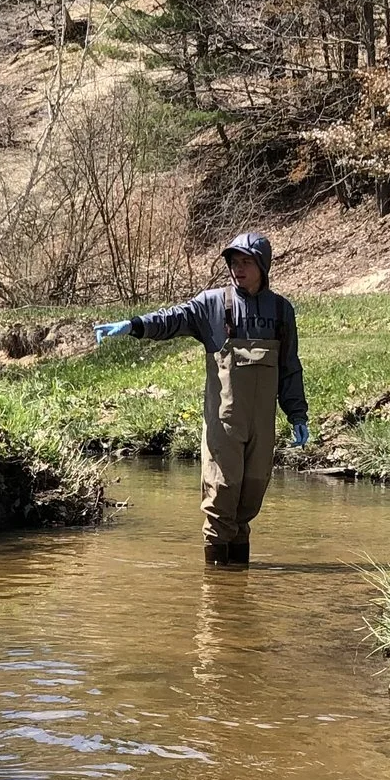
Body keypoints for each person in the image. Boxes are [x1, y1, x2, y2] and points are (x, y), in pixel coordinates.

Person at [94, 231, 309, 566]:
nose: (238, 268)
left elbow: (289, 368)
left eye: (246, 262)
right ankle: (219, 591)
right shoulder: (212, 304)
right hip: (224, 426)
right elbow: (171, 319)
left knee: (248, 501)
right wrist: (134, 325)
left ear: (263, 266)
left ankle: (238, 582)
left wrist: (297, 415)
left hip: (262, 429)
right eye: (234, 262)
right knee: (222, 495)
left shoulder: (281, 312)